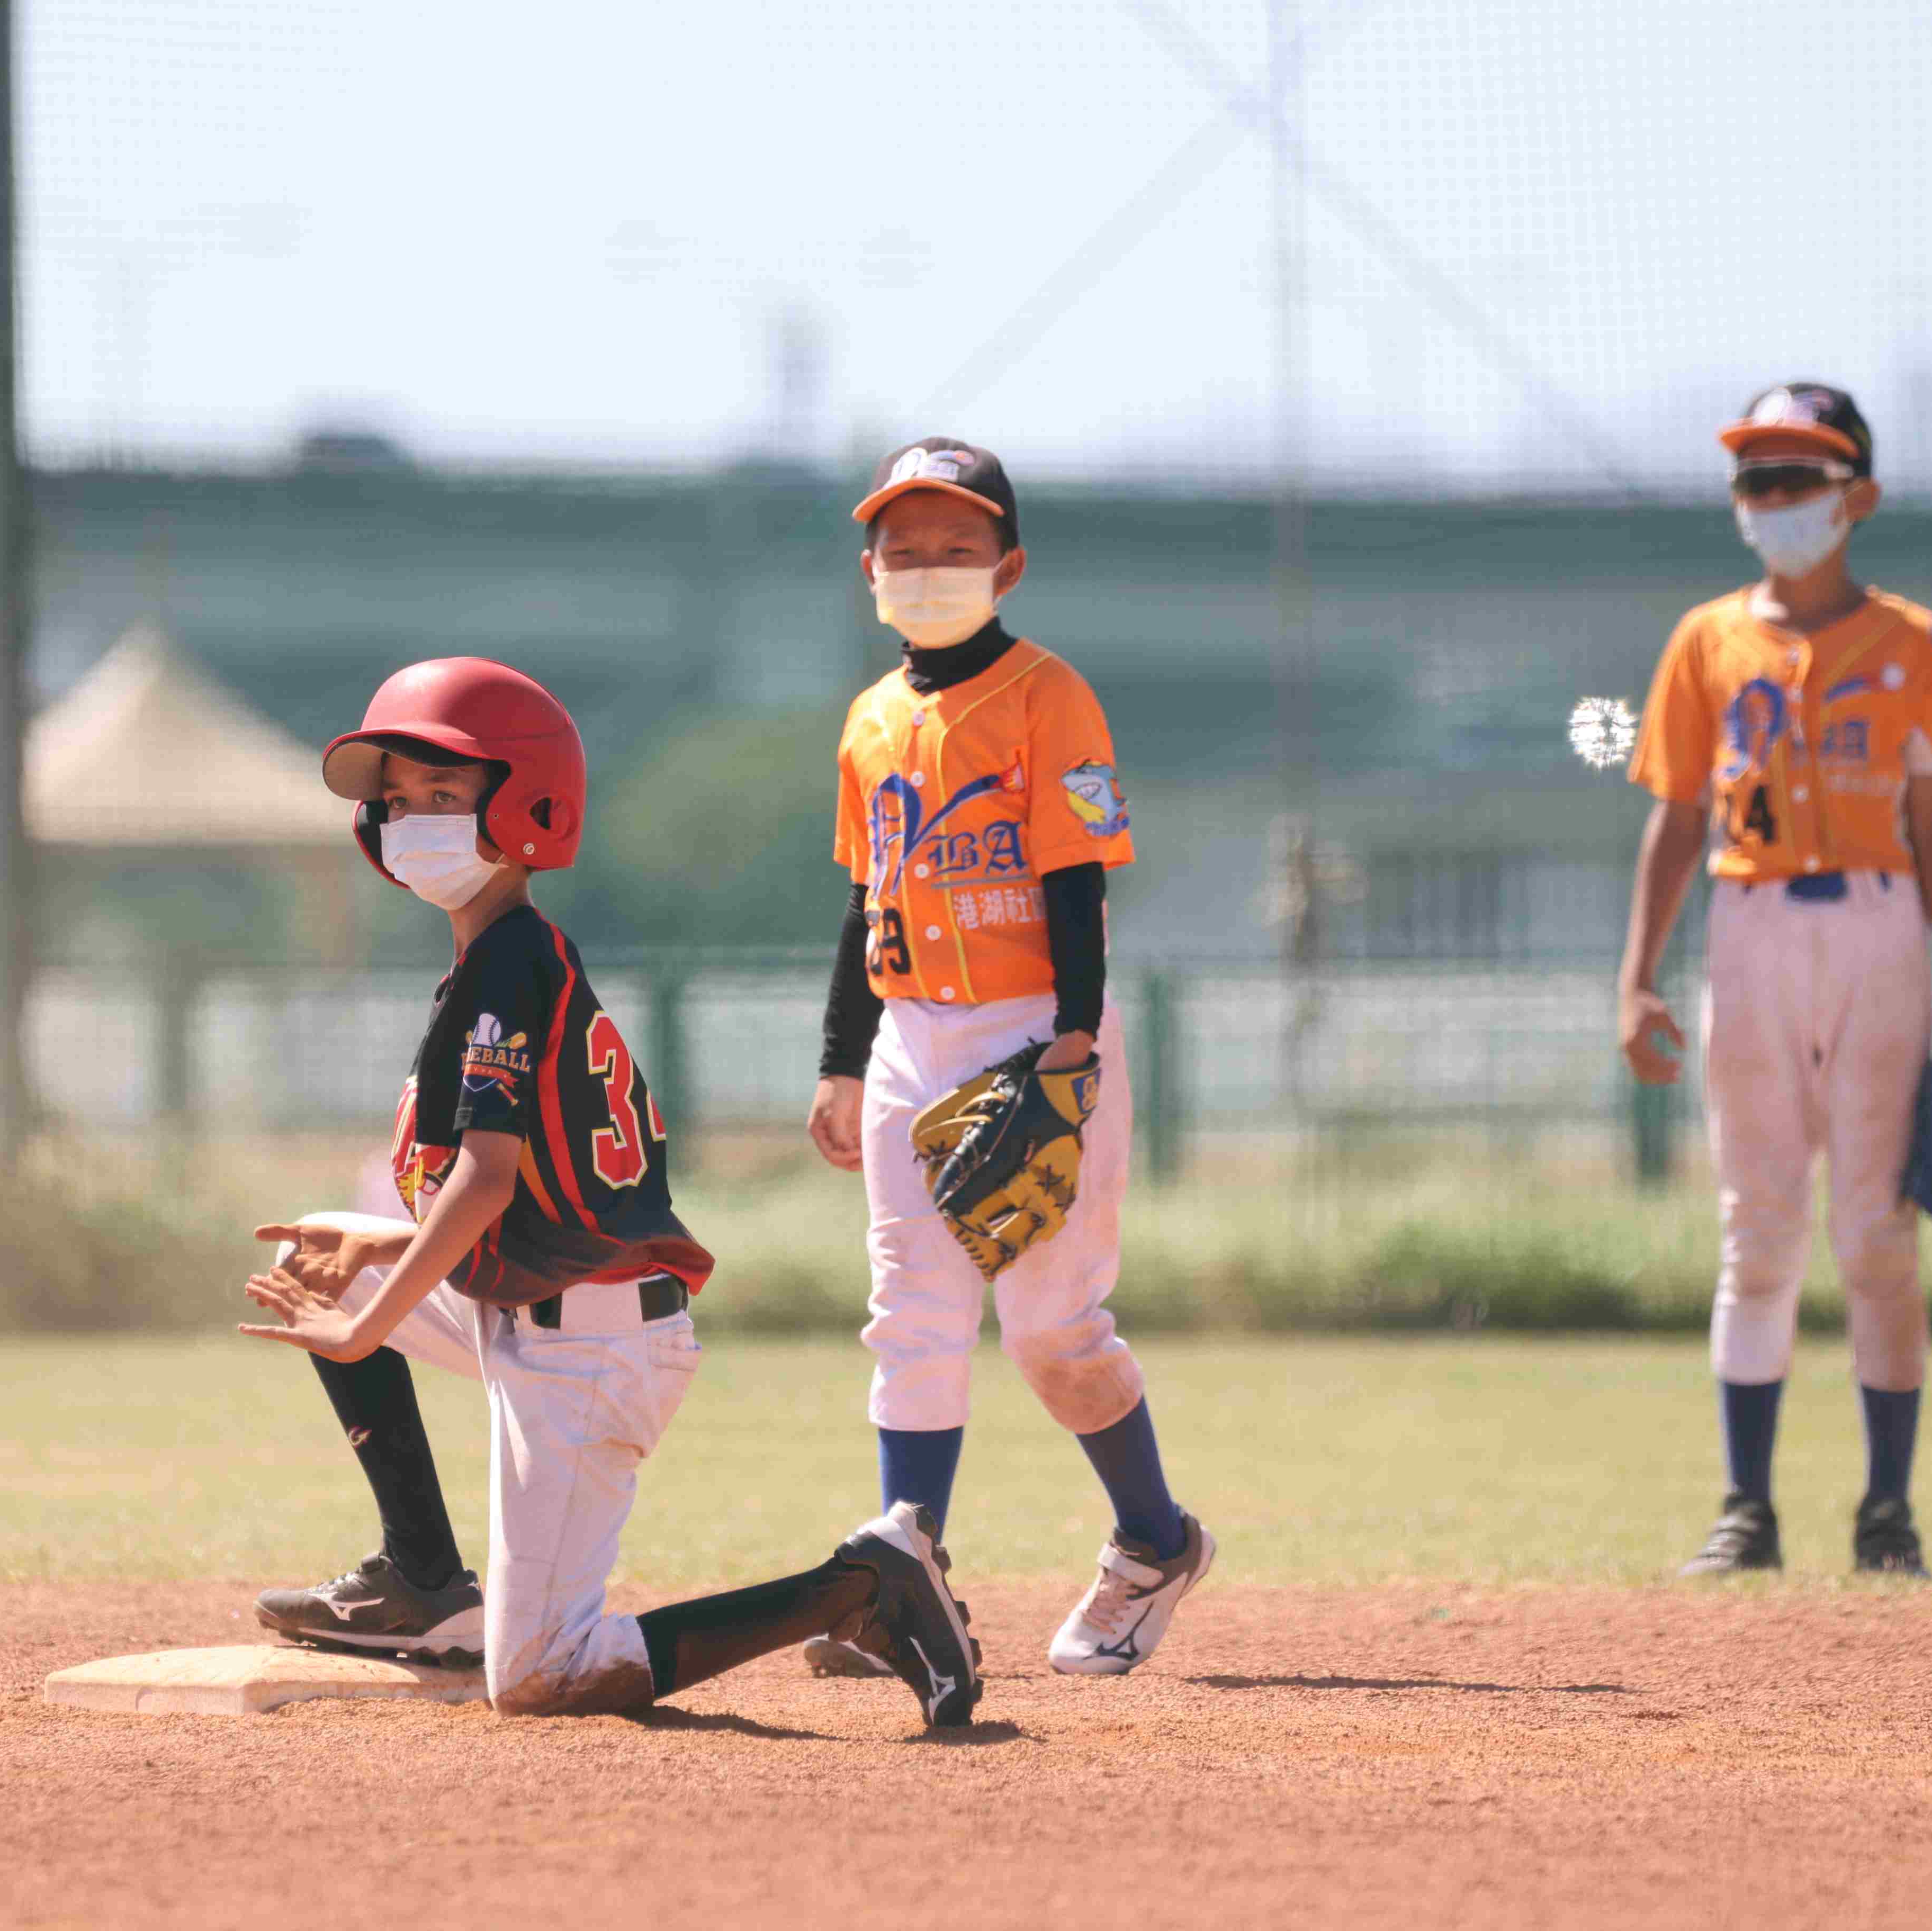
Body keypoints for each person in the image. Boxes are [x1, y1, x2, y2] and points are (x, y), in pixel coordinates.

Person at [240, 655, 984, 1726]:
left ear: (529, 806)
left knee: (542, 1678)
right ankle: (423, 1581)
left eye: (445, 793)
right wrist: (374, 1246)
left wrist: (371, 1329)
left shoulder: (508, 963)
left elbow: (486, 1183)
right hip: (544, 1308)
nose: (411, 820)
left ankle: (863, 1588)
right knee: (316, 1262)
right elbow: (534, 1199)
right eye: (397, 800)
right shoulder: (504, 956)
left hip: (589, 1351)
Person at [802, 438, 1212, 1677]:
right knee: (912, 1317)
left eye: (959, 546)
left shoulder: (1049, 695)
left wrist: (1073, 1046)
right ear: (870, 571)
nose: (929, 566)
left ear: (1008, 566)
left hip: (1035, 1025)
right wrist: (841, 1059)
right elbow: (864, 897)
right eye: (905, 548)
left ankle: (1155, 1541)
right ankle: (907, 1577)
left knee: (1051, 1329)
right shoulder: (870, 719)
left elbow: (1079, 879)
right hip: (909, 1033)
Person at [1615, 382, 1932, 1578]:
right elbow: (1679, 817)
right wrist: (1637, 977)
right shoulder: (1707, 640)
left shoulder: (1911, 642)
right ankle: (1746, 1513)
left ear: (1856, 497)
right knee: (1759, 1224)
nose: (1769, 499)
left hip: (1880, 928)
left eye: (1796, 478)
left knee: (1879, 1229)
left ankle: (1889, 1515)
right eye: (1753, 479)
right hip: (1751, 926)